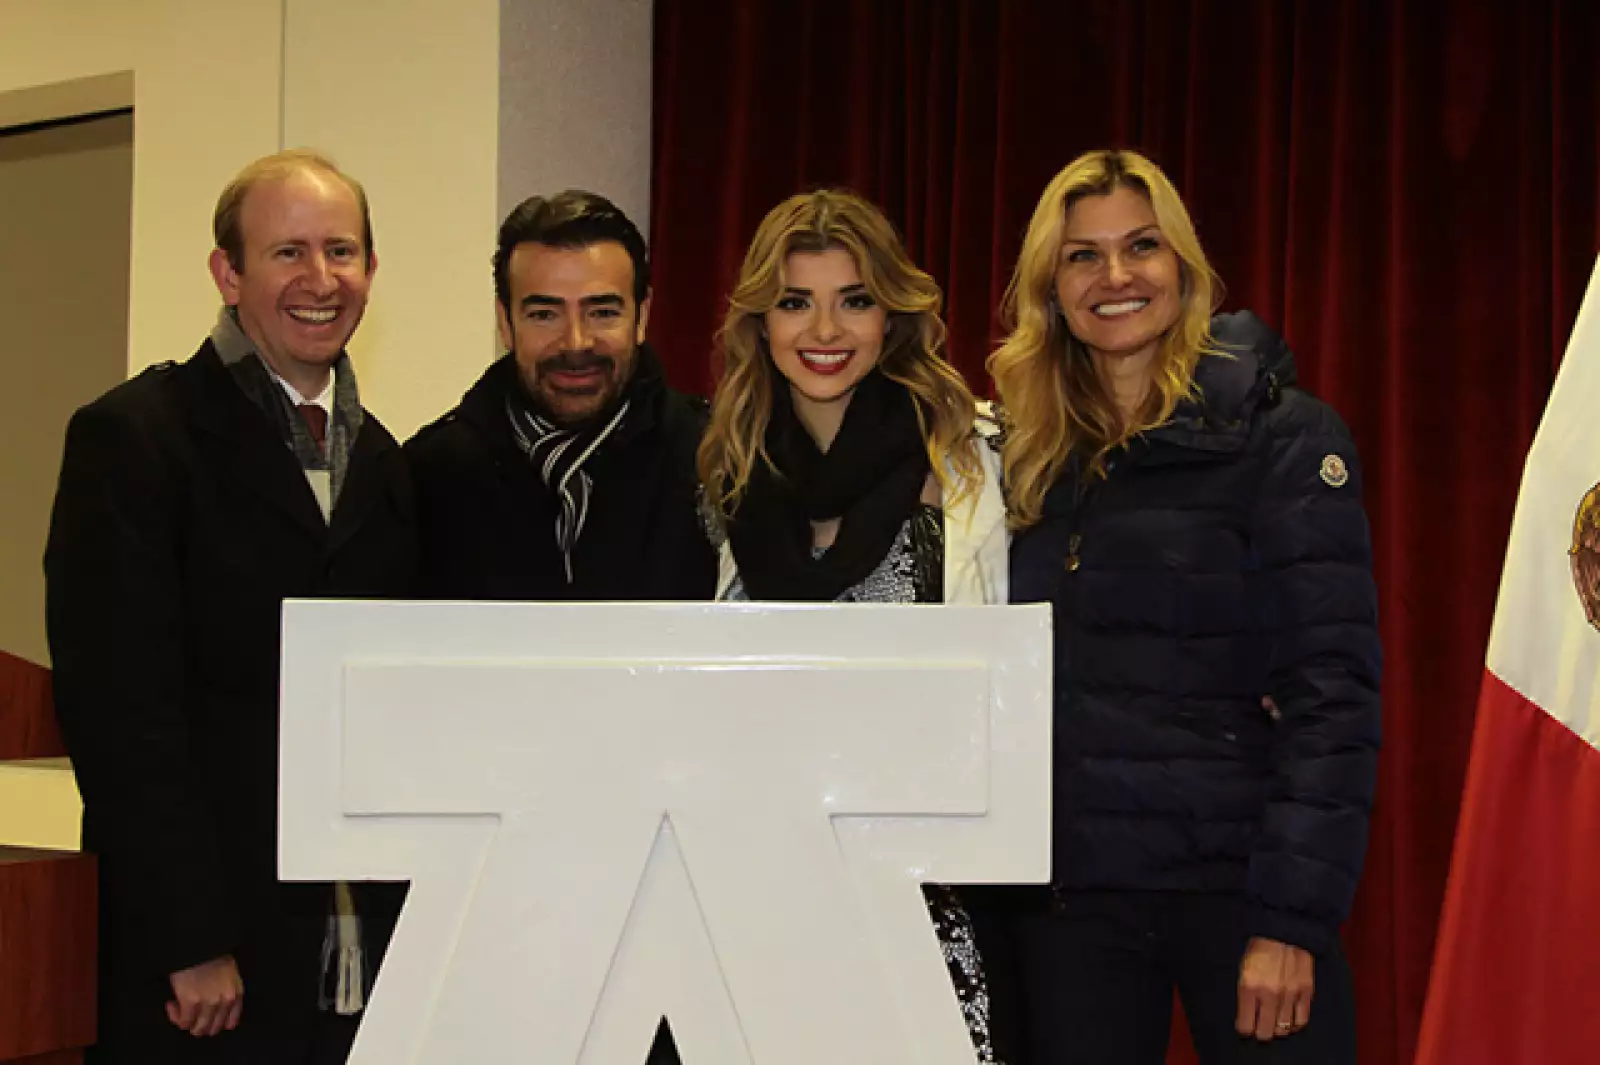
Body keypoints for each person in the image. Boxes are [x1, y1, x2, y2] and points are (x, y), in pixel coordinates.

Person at [991, 149, 1381, 1064]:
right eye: (1083, 255)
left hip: (1241, 900)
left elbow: (1333, 697)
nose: (1115, 276)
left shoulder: (1285, 438)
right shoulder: (1023, 454)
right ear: (1052, 285)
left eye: (1142, 247)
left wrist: (1291, 922)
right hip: (1072, 909)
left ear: (1185, 267)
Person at [45, 150, 417, 1063]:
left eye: (342, 251)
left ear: (371, 271)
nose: (320, 280)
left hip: (352, 949)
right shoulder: (132, 439)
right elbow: (121, 711)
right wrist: (189, 935)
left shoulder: (387, 463)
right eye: (288, 252)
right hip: (206, 965)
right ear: (228, 272)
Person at [697, 189, 1011, 1062]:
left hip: (928, 881)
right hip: (760, 878)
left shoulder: (976, 456)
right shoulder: (724, 472)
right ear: (761, 322)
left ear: (892, 317)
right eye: (795, 301)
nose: (824, 329)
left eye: (855, 299)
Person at [406, 190, 715, 602]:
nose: (576, 343)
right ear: (505, 323)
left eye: (602, 312)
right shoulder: (426, 477)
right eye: (544, 315)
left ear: (642, 318)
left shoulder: (714, 461)